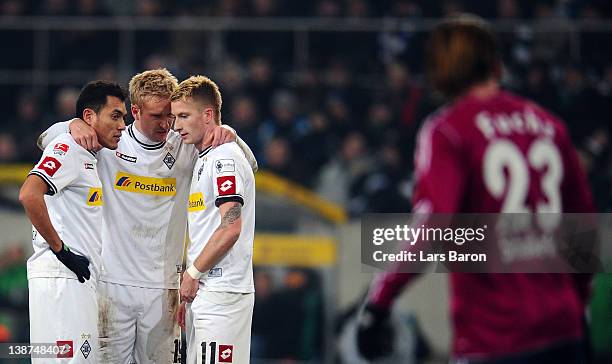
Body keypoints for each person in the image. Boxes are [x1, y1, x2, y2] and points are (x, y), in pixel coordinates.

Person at [357, 15, 595, 364]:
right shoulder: (548, 125)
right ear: (496, 65)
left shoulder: (448, 131)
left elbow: (433, 222)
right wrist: (577, 303)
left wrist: (379, 302)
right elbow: (583, 223)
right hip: (562, 328)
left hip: (495, 335)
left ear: (440, 72)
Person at [37, 69, 258, 364]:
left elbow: (249, 165)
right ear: (136, 111)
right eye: (157, 116)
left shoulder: (184, 143)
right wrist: (73, 123)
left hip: (166, 289)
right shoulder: (109, 142)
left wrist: (230, 133)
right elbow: (45, 140)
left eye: (172, 115)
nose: (167, 124)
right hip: (113, 285)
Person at [20, 81, 128, 363]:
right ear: (89, 117)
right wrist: (61, 251)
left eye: (124, 117)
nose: (122, 125)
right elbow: (29, 194)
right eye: (115, 116)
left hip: (75, 277)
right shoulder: (68, 146)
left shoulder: (90, 153)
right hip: (61, 278)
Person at [172, 75, 256, 364]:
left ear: (208, 115)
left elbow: (230, 226)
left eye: (184, 116)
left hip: (223, 292)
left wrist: (192, 274)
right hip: (205, 293)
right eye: (174, 117)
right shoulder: (204, 158)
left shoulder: (224, 159)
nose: (176, 125)